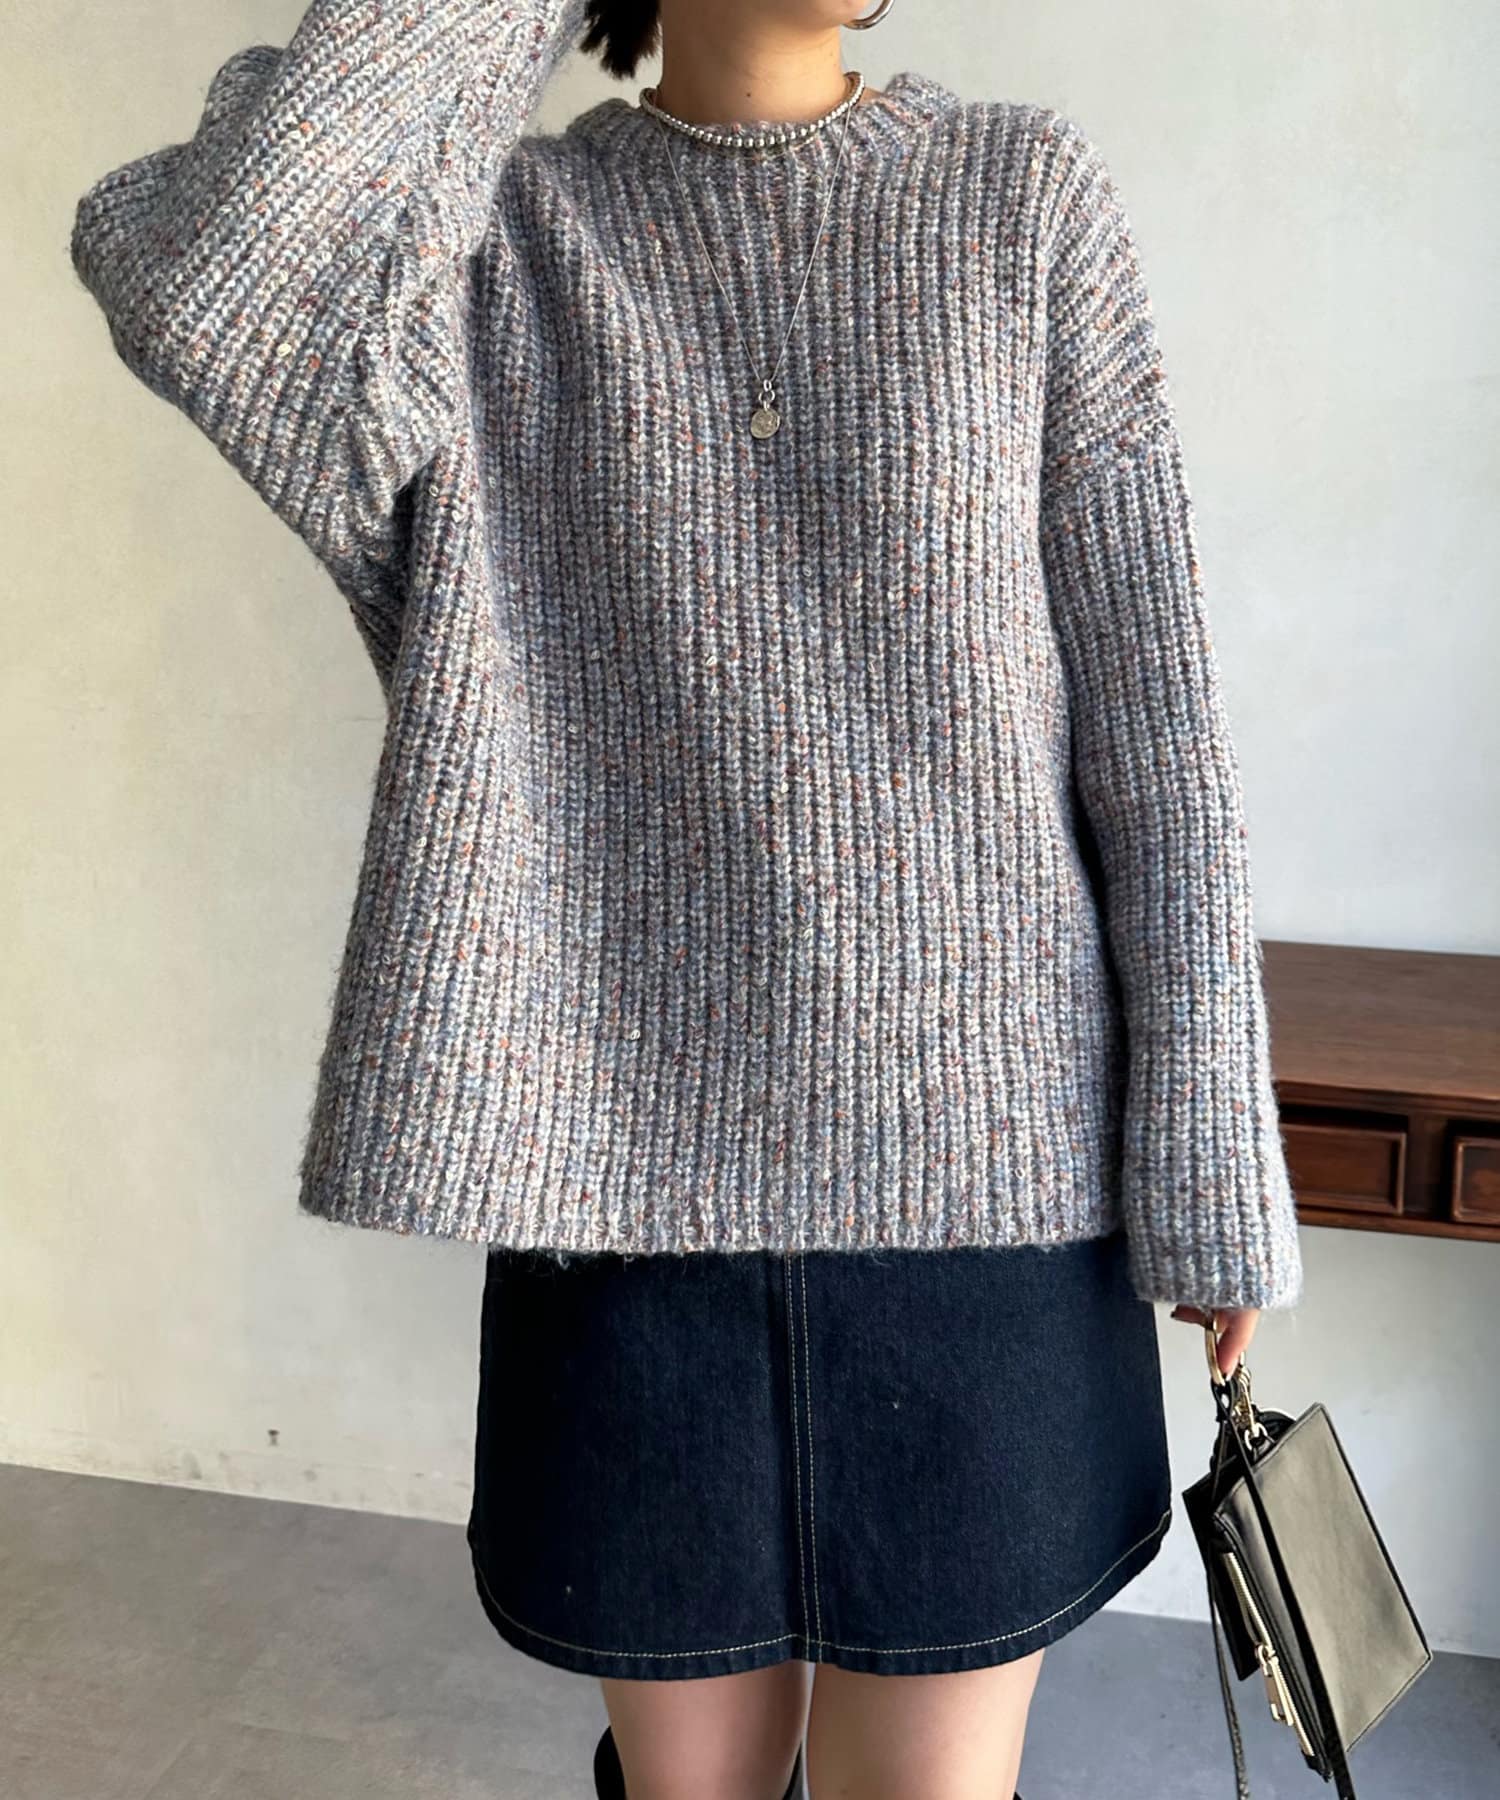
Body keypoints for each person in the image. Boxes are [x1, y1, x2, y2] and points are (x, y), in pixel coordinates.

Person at [69, 0, 1305, 1794]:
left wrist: (1211, 1161)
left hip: (990, 1202)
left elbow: (1157, 721)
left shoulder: (1018, 193)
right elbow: (204, 269)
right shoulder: (485, 250)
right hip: (623, 1205)